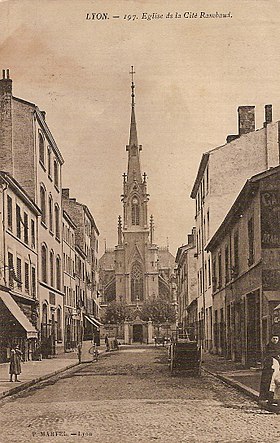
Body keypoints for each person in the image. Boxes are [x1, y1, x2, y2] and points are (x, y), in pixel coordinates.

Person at [259, 335, 280, 407]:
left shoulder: (278, 346)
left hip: (277, 368)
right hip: (270, 369)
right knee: (270, 384)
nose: (275, 340)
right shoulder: (268, 347)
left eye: (276, 339)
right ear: (271, 339)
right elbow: (268, 356)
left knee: (277, 384)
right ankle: (269, 400)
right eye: (273, 338)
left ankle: (275, 400)